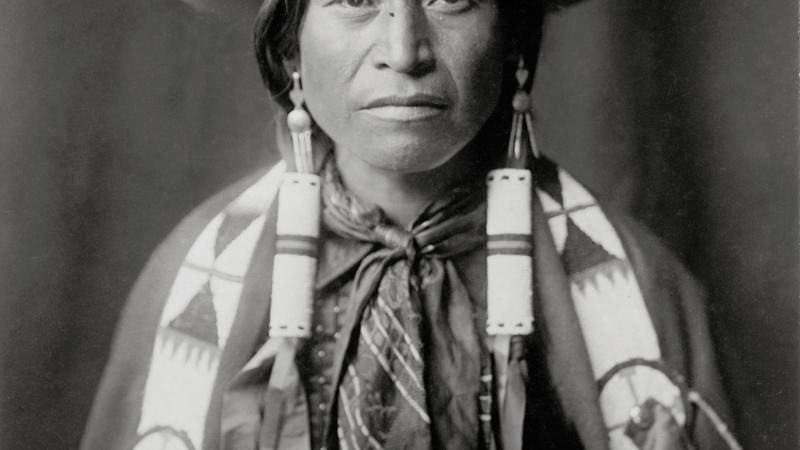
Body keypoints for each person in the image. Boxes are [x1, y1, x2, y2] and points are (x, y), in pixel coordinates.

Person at [82, 1, 740, 449]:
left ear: (514, 38)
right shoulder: (197, 276)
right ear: (289, 47)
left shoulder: (636, 288)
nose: (404, 50)